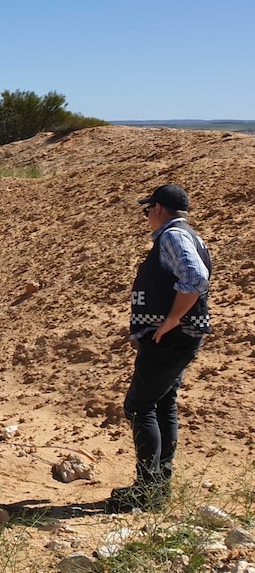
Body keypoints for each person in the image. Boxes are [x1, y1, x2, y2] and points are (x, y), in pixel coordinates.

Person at [106, 184, 212, 513]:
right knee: (163, 404)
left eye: (147, 209)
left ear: (159, 209)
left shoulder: (173, 236)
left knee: (138, 406)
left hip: (169, 339)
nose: (146, 216)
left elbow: (195, 278)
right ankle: (158, 488)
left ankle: (148, 491)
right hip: (177, 338)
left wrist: (170, 321)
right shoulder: (186, 235)